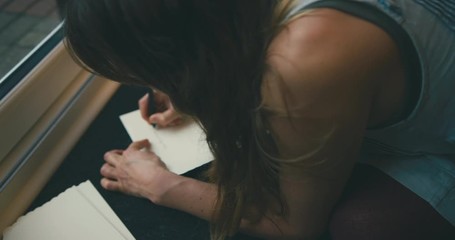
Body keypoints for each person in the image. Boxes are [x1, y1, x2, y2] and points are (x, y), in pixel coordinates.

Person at [63, 0, 455, 239]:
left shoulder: (305, 59)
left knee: (362, 227)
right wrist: (194, 89)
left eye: (155, 72)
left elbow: (292, 223)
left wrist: (160, 185)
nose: (154, 86)